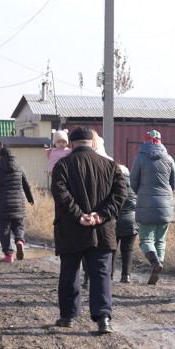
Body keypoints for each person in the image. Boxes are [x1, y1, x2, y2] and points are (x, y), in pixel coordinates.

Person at [50, 127, 126, 333]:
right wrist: (100, 215)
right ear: (93, 143)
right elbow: (120, 195)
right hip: (102, 230)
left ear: (72, 144)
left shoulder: (62, 165)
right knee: (101, 273)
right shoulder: (111, 166)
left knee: (69, 272)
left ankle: (67, 317)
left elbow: (60, 193)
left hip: (71, 229)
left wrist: (79, 215)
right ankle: (103, 319)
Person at [129, 130, 175, 285]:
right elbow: (174, 184)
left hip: (146, 204)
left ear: (146, 142)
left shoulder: (140, 158)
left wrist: (142, 194)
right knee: (160, 240)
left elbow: (133, 183)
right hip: (166, 206)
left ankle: (155, 263)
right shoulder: (169, 158)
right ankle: (158, 266)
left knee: (146, 239)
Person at [0, 146, 35, 262]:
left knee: (4, 230)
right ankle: (19, 241)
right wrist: (30, 199)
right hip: (18, 204)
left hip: (2, 205)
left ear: (0, 156)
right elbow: (26, 185)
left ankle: (9, 255)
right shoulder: (19, 168)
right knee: (18, 226)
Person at [114, 163, 137, 283]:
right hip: (131, 222)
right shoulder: (134, 186)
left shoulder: (112, 185)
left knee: (112, 248)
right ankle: (126, 276)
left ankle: (109, 274)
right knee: (128, 249)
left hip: (115, 222)